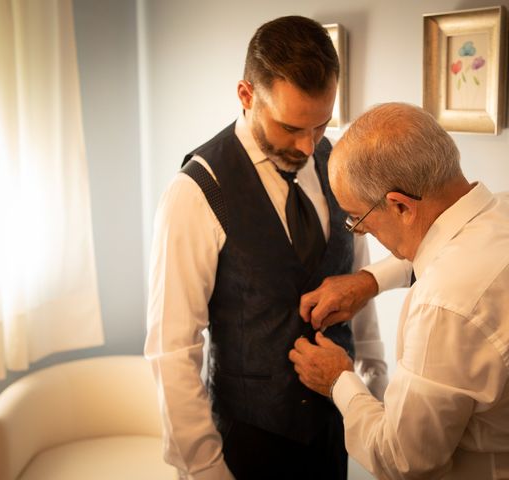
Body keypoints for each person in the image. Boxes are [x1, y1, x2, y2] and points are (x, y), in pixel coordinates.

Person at [289, 102, 509, 479]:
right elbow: (453, 252)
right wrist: (369, 281)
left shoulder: (444, 306)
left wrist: (339, 380)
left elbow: (404, 461)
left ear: (401, 206)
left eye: (359, 219)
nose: (360, 230)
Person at [145, 16, 396, 480]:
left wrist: (373, 377)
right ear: (246, 95)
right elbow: (172, 348)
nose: (307, 145)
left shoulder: (336, 165)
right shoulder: (196, 191)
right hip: (245, 441)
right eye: (290, 127)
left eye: (321, 125)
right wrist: (204, 469)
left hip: (332, 425)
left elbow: (355, 281)